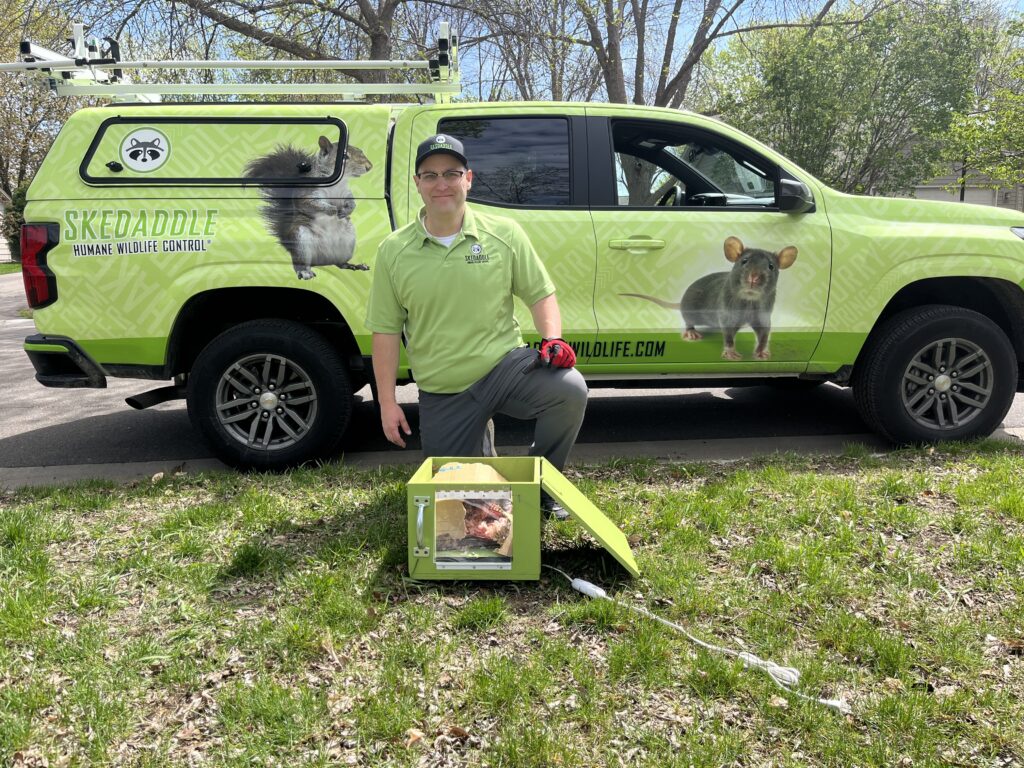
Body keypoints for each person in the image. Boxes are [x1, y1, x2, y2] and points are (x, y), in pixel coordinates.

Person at [365, 134, 587, 513]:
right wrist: (387, 402)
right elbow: (385, 331)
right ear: (417, 183)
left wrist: (553, 339)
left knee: (569, 389)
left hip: (503, 366)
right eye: (430, 175)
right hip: (445, 387)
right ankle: (478, 447)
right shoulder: (393, 251)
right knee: (465, 506)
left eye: (451, 173)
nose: (441, 184)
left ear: (468, 178)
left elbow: (540, 294)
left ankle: (545, 481)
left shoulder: (505, 234)